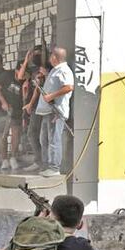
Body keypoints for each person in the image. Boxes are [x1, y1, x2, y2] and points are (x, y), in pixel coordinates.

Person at [35, 47, 74, 177]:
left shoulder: (64, 70)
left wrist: (51, 96)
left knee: (54, 140)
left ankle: (54, 167)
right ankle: (46, 164)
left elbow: (69, 87)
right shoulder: (55, 70)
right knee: (44, 139)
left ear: (54, 58)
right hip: (47, 111)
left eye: (51, 56)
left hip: (56, 112)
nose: (50, 58)